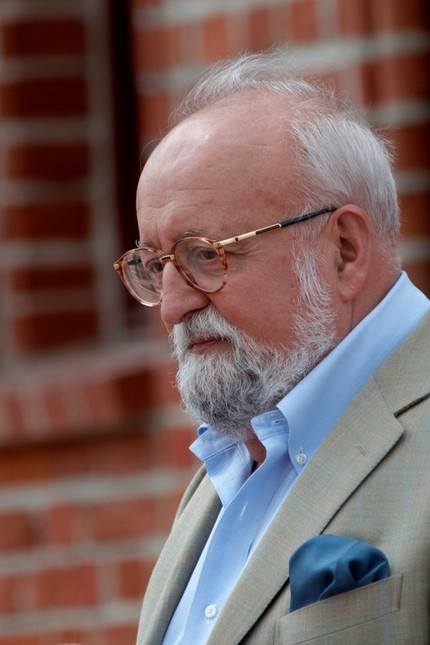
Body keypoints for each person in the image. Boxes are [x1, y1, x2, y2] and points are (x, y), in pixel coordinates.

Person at [114, 50, 430, 644]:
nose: (174, 307)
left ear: (343, 250)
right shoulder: (229, 465)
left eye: (204, 255)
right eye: (155, 266)